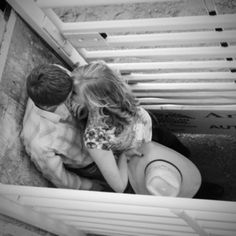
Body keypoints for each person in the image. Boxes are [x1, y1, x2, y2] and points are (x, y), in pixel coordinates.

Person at [70, 61, 224, 199]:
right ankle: (195, 188)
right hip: (150, 147)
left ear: (95, 102)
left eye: (74, 92)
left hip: (149, 148)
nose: (69, 95)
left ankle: (194, 184)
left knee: (179, 167)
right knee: (173, 177)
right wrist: (129, 151)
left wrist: (123, 155)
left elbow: (119, 186)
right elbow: (119, 185)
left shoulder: (95, 136)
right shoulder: (119, 96)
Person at [21, 64, 108, 191]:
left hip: (98, 134)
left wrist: (83, 107)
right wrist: (89, 185)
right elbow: (58, 177)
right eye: (70, 95)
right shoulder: (38, 142)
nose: (74, 96)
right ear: (48, 107)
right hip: (89, 163)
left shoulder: (58, 74)